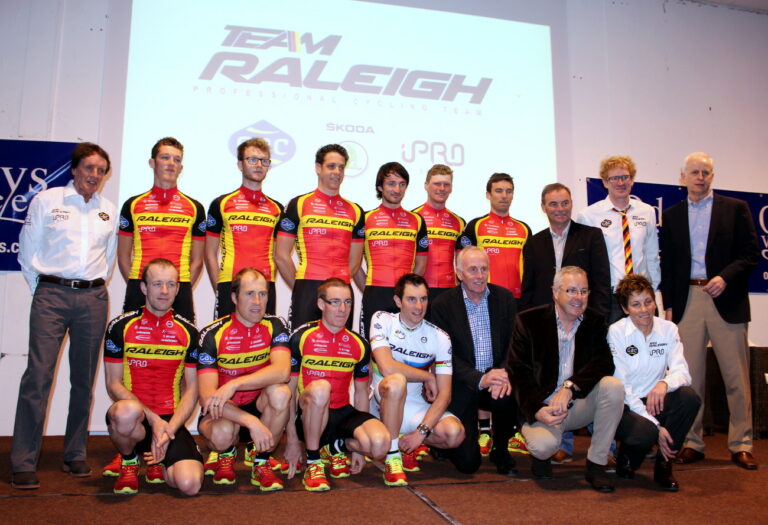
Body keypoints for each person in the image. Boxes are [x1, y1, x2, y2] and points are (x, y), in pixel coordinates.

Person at [12, 142, 118, 490]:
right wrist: (43, 291)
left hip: (93, 298)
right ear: (74, 170)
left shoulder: (108, 210)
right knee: (38, 378)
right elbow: (27, 250)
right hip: (52, 295)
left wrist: (92, 288)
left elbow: (108, 259)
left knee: (83, 381)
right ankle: (23, 461)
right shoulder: (47, 201)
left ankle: (75, 453)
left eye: (101, 170)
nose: (94, 175)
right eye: (89, 167)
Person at [661, 152, 759, 470]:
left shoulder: (735, 208)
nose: (700, 177)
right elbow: (668, 264)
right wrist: (669, 306)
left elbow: (751, 254)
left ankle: (741, 443)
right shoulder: (672, 215)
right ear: (683, 177)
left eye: (706, 172)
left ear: (712, 177)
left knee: (736, 377)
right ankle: (693, 442)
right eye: (694, 172)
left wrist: (725, 277)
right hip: (687, 300)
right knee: (689, 378)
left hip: (725, 298)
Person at [509, 266, 623, 492]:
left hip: (576, 403)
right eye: (571, 290)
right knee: (543, 447)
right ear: (555, 292)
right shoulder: (528, 321)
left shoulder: (595, 321)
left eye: (584, 291)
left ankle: (596, 465)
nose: (578, 297)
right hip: (543, 406)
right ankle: (541, 457)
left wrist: (570, 387)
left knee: (613, 386)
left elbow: (603, 363)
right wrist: (536, 409)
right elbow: (518, 372)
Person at [102, 258, 204, 495]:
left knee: (189, 485)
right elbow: (113, 384)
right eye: (157, 284)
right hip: (136, 418)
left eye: (171, 284)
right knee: (124, 412)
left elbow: (192, 390)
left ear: (178, 289)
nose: (164, 291)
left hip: (170, 420)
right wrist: (154, 420)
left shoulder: (189, 332)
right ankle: (129, 460)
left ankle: (159, 460)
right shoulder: (120, 326)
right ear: (144, 287)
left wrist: (168, 429)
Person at [283, 278, 390, 491]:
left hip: (342, 412)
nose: (343, 309)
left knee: (380, 445)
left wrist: (358, 450)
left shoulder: (359, 344)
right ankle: (314, 461)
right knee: (321, 388)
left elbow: (361, 393)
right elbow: (289, 390)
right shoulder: (301, 337)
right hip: (309, 413)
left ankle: (335, 444)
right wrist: (292, 440)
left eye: (348, 302)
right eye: (335, 302)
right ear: (321, 304)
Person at [196, 267, 292, 491]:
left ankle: (261, 462)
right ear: (234, 297)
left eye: (262, 294)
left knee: (281, 393)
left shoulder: (275, 325)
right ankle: (225, 453)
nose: (257, 301)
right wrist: (251, 422)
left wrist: (235, 383)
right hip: (224, 411)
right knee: (221, 435)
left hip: (259, 406)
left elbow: (282, 371)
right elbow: (207, 397)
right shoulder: (212, 333)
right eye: (249, 294)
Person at [368, 273, 465, 486]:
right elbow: (386, 367)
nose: (419, 306)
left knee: (454, 434)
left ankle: (405, 442)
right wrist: (427, 376)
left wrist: (420, 434)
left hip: (413, 407)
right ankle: (393, 456)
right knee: (396, 381)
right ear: (398, 301)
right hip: (379, 402)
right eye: (411, 299)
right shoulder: (382, 319)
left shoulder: (440, 337)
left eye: (423, 299)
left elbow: (445, 395)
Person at [430, 246, 519, 475]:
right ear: (459, 273)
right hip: (461, 384)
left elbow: (513, 343)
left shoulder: (505, 299)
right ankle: (441, 443)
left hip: (496, 378)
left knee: (507, 393)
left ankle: (500, 450)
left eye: (483, 269)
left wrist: (503, 373)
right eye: (472, 270)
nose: (480, 275)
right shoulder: (442, 305)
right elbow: (444, 356)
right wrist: (479, 378)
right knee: (468, 464)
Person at [609, 274, 701, 491]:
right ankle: (627, 455)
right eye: (636, 304)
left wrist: (664, 385)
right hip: (627, 405)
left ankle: (664, 464)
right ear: (625, 309)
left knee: (689, 399)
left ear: (654, 302)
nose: (644, 310)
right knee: (646, 433)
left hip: (655, 399)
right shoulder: (616, 332)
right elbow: (622, 385)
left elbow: (683, 373)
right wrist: (656, 426)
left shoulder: (668, 329)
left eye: (648, 302)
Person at [275, 144, 364, 330]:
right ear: (318, 168)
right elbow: (281, 255)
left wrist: (339, 289)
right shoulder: (298, 204)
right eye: (331, 166)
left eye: (341, 167)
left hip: (342, 291)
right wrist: (300, 287)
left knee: (341, 345)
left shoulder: (355, 210)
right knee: (302, 344)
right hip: (307, 288)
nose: (337, 172)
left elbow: (355, 261)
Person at [118, 137, 207, 323]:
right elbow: (123, 257)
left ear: (181, 167)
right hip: (139, 287)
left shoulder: (195, 207)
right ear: (152, 163)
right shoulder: (132, 205)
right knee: (132, 339)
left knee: (183, 341)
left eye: (177, 159)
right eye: (165, 157)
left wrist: (176, 289)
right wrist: (143, 287)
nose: (171, 163)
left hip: (179, 288)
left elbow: (198, 260)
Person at [205, 138, 284, 318]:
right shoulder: (221, 203)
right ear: (240, 165)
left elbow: (277, 255)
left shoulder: (277, 208)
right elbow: (209, 253)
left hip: (265, 286)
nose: (259, 165)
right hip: (230, 284)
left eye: (264, 161)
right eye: (252, 160)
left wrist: (268, 283)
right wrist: (220, 288)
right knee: (225, 335)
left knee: (265, 335)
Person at [576, 155, 660, 323]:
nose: (620, 183)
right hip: (609, 297)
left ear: (632, 180)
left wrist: (654, 289)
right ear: (605, 182)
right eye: (614, 178)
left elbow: (652, 255)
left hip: (641, 294)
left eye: (625, 177)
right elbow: (584, 262)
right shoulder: (588, 215)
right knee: (609, 339)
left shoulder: (647, 211)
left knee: (646, 338)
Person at [354, 161, 428, 337]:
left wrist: (409, 292)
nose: (397, 189)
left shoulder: (417, 220)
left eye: (402, 184)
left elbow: (421, 263)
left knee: (405, 344)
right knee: (372, 346)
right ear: (380, 187)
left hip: (406, 297)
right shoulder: (365, 218)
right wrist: (369, 290)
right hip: (375, 292)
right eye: (391, 183)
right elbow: (354, 263)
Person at [520, 183, 610, 317]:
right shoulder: (533, 243)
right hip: (544, 318)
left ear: (571, 204)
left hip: (583, 316)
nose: (560, 209)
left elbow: (601, 282)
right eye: (554, 204)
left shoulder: (591, 236)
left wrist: (599, 317)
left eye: (565, 203)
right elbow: (528, 289)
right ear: (543, 207)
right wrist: (528, 319)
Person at [457, 172, 530, 298]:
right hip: (484, 297)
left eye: (509, 191)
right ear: (488, 195)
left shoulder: (524, 229)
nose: (504, 196)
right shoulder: (475, 225)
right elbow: (462, 264)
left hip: (517, 298)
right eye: (499, 191)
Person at [412, 164, 465, 305]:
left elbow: (462, 262)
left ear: (451, 188)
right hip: (418, 289)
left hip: (449, 291)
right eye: (437, 184)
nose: (442, 188)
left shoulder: (459, 222)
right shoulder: (413, 218)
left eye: (446, 184)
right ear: (426, 185)